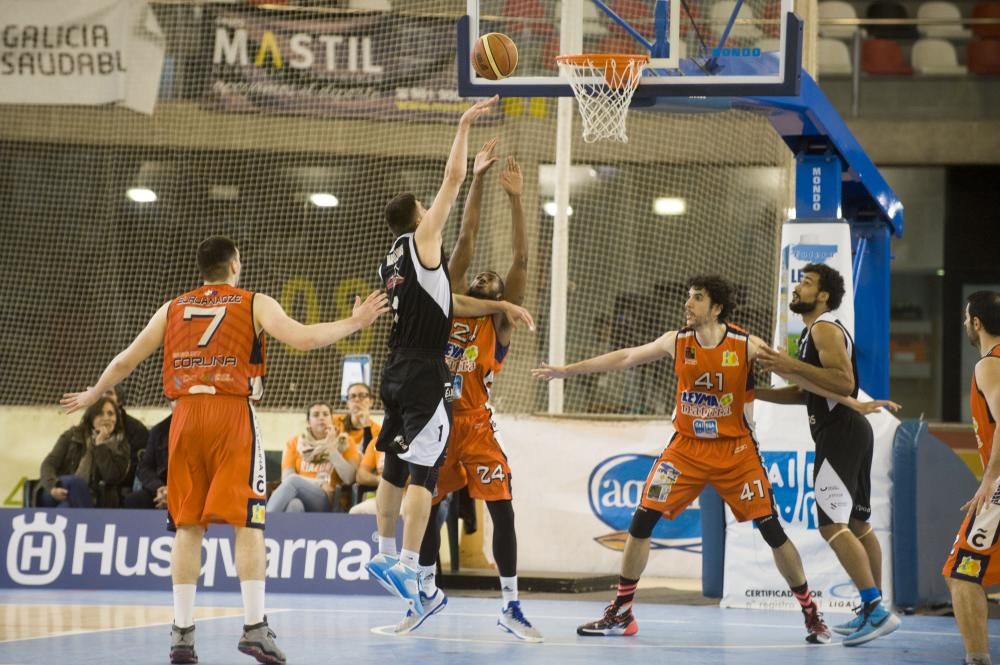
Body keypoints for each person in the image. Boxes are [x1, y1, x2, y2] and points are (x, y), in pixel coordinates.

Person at [61, 236, 389, 665]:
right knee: (248, 522)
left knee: (187, 525)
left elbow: (126, 360)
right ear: (235, 265)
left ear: (203, 269)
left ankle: (181, 635)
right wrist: (354, 322)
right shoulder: (253, 302)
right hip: (231, 414)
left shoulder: (173, 308)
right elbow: (303, 338)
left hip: (184, 417)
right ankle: (254, 628)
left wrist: (94, 392)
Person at [533, 275, 833, 643]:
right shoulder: (677, 341)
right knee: (642, 521)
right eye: (688, 297)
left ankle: (811, 614)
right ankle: (622, 611)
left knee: (772, 530)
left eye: (698, 298)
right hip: (685, 449)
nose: (688, 304)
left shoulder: (746, 344)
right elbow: (626, 357)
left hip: (735, 451)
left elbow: (800, 377)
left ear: (717, 308)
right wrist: (565, 371)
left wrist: (853, 399)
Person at [364, 96, 535, 619]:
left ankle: (502, 598)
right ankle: (416, 581)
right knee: (420, 490)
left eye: (493, 282)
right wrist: (474, 171)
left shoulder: (491, 316)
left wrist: (513, 200)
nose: (484, 276)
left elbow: (517, 263)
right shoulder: (443, 276)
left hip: (466, 419)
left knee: (431, 486)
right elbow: (463, 232)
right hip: (429, 395)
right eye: (481, 279)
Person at [755, 263, 901, 647]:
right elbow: (808, 391)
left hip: (841, 432)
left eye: (806, 282)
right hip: (849, 431)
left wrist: (786, 365)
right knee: (856, 525)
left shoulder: (823, 327)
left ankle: (876, 608)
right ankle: (875, 607)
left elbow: (844, 382)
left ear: (822, 295)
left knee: (831, 525)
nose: (797, 287)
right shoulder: (810, 334)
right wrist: (754, 394)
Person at [941, 291, 1000, 665]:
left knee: (961, 573)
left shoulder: (989, 365)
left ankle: (976, 660)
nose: (965, 324)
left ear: (975, 322)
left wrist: (989, 479)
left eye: (966, 319)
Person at [267, 401, 360, 513]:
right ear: (308, 421)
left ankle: (263, 525)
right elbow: (286, 478)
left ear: (331, 419)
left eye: (325, 414)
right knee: (294, 505)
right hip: (300, 494)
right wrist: (319, 483)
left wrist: (331, 448)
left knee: (293, 481)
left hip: (329, 499)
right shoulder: (294, 443)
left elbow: (350, 478)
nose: (321, 418)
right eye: (316, 415)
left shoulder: (344, 441)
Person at [38, 396, 131, 508]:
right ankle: (91, 522)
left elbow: (111, 477)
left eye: (111, 414)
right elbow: (49, 464)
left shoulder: (121, 445)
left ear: (116, 418)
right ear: (91, 417)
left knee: (66, 509)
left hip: (92, 498)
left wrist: (100, 445)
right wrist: (52, 487)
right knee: (75, 483)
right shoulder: (73, 435)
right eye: (100, 414)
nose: (106, 418)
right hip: (58, 489)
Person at [104, 385, 150, 498]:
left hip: (124, 485)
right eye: (100, 392)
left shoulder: (136, 429)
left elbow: (140, 465)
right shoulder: (86, 426)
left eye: (109, 393)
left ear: (119, 401)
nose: (103, 397)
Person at [124, 411, 171, 510]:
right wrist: (160, 488)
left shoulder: (205, 428)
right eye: (173, 400)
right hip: (163, 488)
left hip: (194, 491)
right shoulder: (159, 431)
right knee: (134, 500)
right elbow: (145, 467)